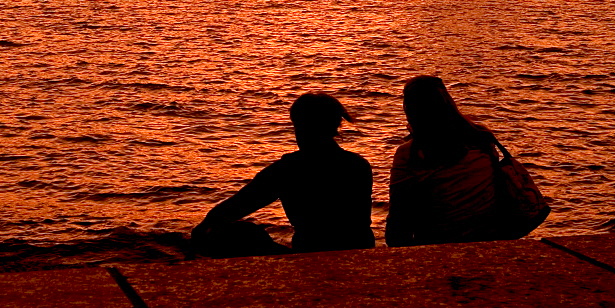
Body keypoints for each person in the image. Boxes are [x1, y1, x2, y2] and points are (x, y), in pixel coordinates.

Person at [192, 92, 375, 255]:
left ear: (301, 127)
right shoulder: (358, 164)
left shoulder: (289, 169)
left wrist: (202, 230)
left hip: (310, 253)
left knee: (242, 232)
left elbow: (239, 204)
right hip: (360, 251)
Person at [385, 75, 501, 246]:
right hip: (489, 236)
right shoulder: (481, 137)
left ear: (410, 109)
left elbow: (398, 220)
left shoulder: (411, 153)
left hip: (438, 242)